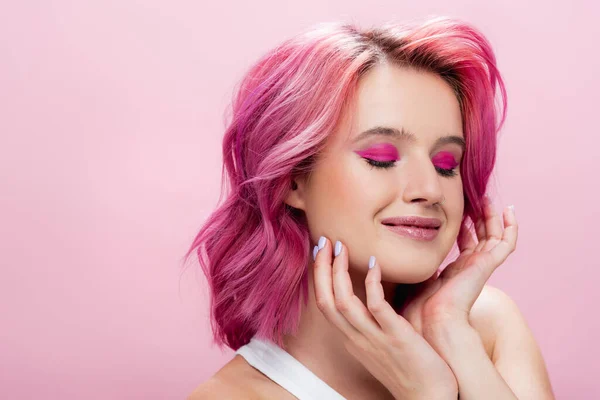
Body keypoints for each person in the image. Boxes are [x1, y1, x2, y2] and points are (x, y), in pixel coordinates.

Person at [186, 15, 555, 399]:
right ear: (292, 179)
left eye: (447, 164)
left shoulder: (485, 328)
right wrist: (427, 393)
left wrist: (449, 329)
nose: (430, 189)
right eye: (381, 157)